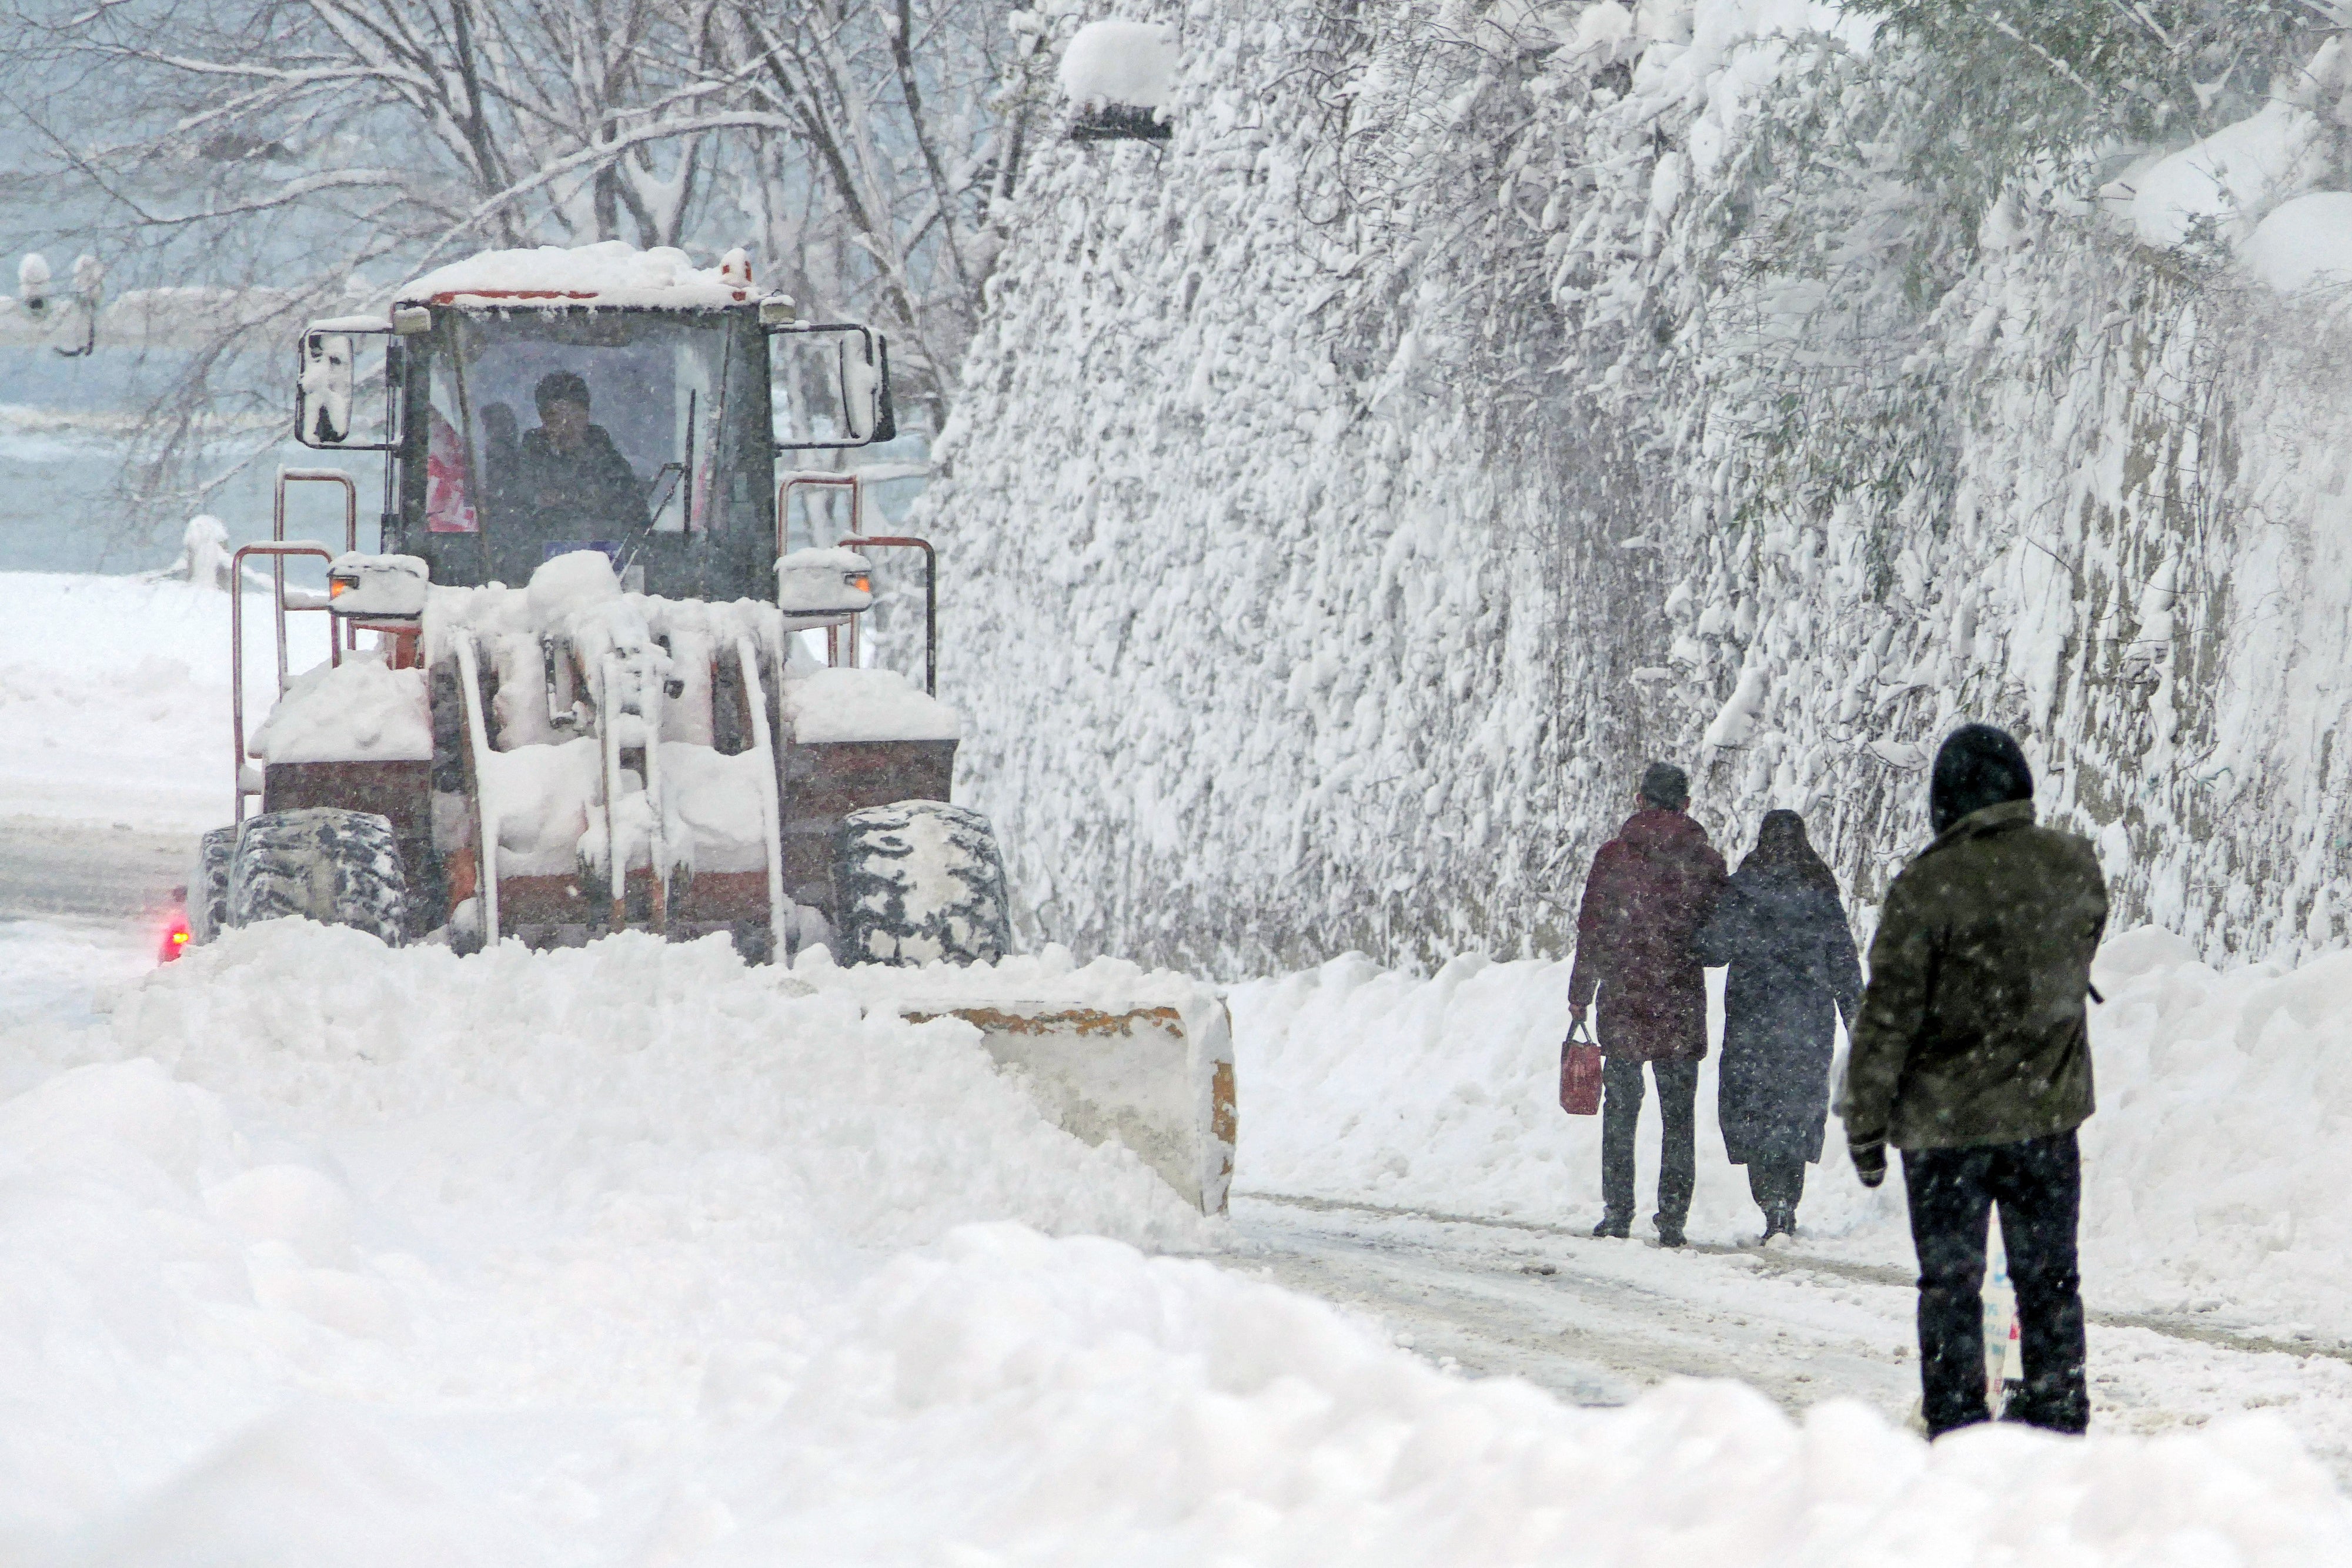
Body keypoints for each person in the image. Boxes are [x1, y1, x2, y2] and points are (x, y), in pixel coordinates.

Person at [1840, 723, 2108, 1438]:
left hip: (1944, 1131)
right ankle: (2057, 1411)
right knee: (2050, 1279)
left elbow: (1887, 1020)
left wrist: (1864, 1124)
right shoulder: (2073, 864)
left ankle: (1957, 1421)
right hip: (2046, 1117)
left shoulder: (1926, 888)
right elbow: (2080, 947)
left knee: (1950, 1285)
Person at [1566, 760, 1728, 1248]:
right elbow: (1720, 942)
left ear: (1639, 800)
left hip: (1625, 999)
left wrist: (1581, 994)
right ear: (1687, 804)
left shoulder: (1614, 857)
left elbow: (1593, 927)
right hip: (1677, 1001)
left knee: (1622, 1110)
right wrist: (1688, 948)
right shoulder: (1703, 860)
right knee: (1679, 1115)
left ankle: (1618, 1213)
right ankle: (1673, 1219)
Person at [1694, 810, 1861, 1243]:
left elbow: (1714, 949)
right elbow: (1843, 961)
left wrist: (1696, 922)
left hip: (1753, 1021)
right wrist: (1857, 1019)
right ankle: (1787, 1202)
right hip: (1807, 1023)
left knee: (1755, 1112)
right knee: (1796, 1110)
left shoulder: (1745, 888)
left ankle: (1770, 1204)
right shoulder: (1821, 891)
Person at [516, 371, 649, 539]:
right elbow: (510, 523)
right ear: (543, 420)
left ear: (587, 416)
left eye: (574, 416)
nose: (566, 428)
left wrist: (571, 500)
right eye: (556, 418)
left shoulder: (613, 468)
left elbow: (637, 529)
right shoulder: (521, 466)